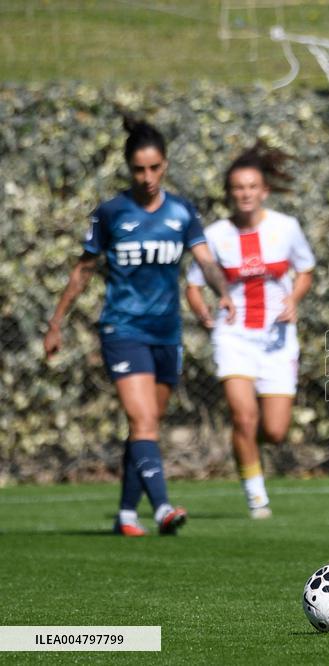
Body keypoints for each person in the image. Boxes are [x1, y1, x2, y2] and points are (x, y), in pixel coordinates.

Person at [44, 117, 235, 537]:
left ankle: (127, 515)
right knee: (144, 420)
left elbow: (205, 261)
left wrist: (222, 291)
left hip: (166, 333)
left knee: (145, 427)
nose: (147, 177)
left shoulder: (182, 212)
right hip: (123, 329)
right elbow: (83, 270)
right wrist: (56, 323)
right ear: (128, 168)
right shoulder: (112, 213)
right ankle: (163, 508)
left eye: (154, 168)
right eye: (138, 169)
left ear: (165, 165)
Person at [186, 143, 315, 519]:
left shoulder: (286, 228)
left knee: (274, 431)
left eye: (252, 187)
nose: (245, 194)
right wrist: (202, 313)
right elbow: (193, 285)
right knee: (244, 417)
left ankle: (244, 445)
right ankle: (257, 498)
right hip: (234, 336)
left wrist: (293, 298)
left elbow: (305, 270)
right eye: (238, 188)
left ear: (264, 191)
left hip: (277, 339)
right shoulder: (214, 235)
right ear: (229, 193)